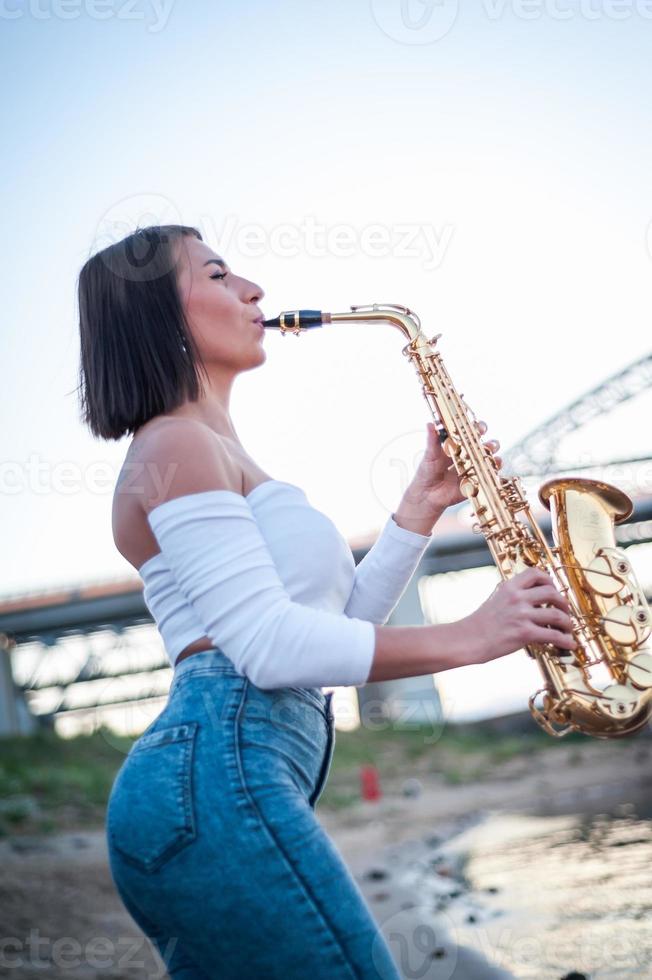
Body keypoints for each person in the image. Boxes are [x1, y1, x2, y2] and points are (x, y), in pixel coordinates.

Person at [76, 224, 576, 979]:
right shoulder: (173, 446)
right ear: (158, 315)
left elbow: (329, 637)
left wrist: (418, 510)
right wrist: (473, 637)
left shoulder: (214, 451)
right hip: (214, 775)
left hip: (223, 777)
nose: (253, 290)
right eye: (217, 274)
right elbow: (273, 649)